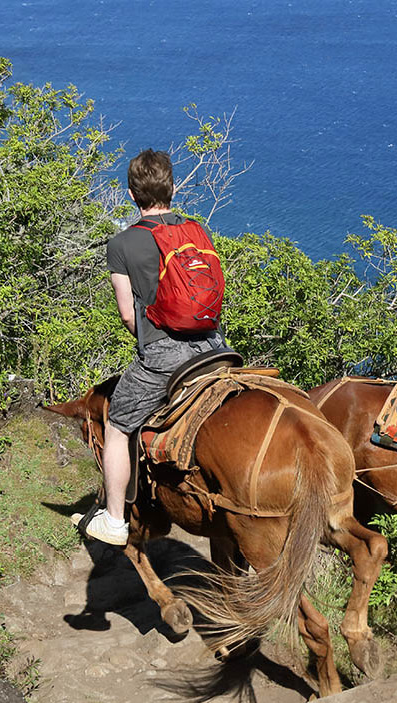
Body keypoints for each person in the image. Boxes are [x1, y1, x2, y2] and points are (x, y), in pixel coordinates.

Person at [78, 149, 228, 545]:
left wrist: (152, 340)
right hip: (215, 348)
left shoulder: (122, 244)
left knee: (117, 425)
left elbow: (129, 316)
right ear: (173, 189)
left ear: (131, 194)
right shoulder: (197, 230)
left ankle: (114, 519)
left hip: (165, 356)